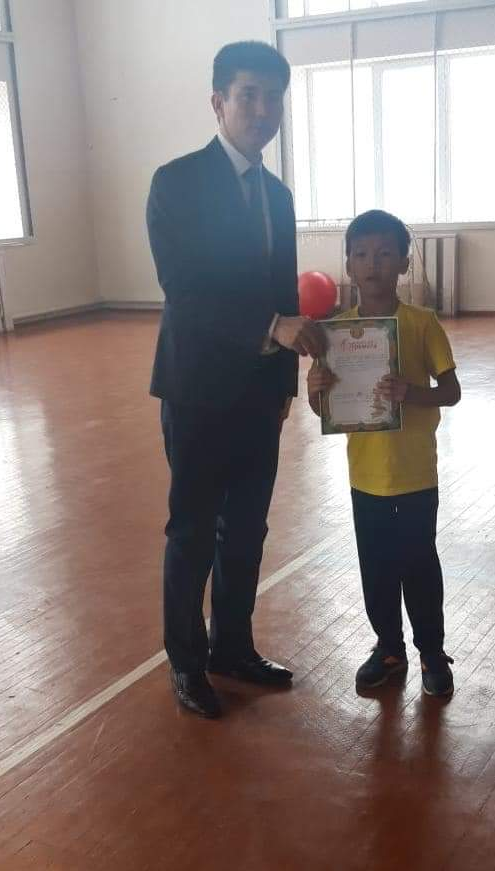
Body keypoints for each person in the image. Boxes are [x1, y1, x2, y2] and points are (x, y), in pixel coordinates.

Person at [146, 41, 323, 718]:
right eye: (248, 95)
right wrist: (271, 327)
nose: (261, 109)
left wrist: (283, 386)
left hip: (258, 395)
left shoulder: (277, 196)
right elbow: (183, 290)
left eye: (273, 97)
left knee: (246, 529)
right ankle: (188, 664)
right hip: (196, 389)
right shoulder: (176, 182)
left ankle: (233, 647)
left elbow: (284, 292)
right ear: (218, 102)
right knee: (192, 530)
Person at [307, 209, 461, 697]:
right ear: (348, 265)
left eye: (384, 254)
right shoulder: (334, 333)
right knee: (376, 568)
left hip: (415, 475)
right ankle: (389, 648)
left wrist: (411, 393)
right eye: (361, 254)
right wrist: (315, 389)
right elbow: (322, 407)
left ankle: (432, 652)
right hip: (366, 477)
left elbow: (452, 391)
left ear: (404, 264)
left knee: (419, 565)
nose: (372, 264)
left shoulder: (422, 323)